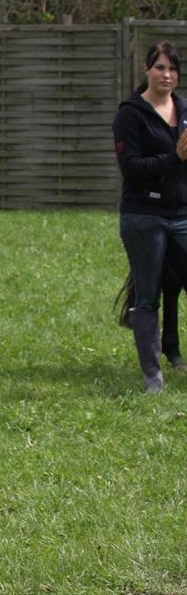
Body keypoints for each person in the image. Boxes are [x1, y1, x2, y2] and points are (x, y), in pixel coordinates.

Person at [112, 40, 187, 393]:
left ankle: (175, 354)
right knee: (147, 297)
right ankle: (153, 377)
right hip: (144, 217)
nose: (167, 75)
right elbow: (132, 168)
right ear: (146, 71)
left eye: (172, 69)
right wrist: (174, 157)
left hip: (182, 215)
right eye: (160, 67)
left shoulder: (185, 110)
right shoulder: (130, 113)